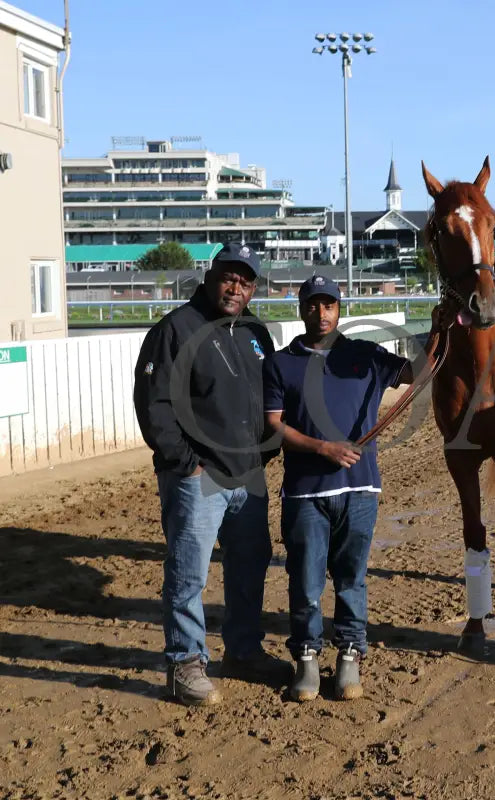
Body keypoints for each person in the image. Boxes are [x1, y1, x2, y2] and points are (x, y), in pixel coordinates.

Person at [134, 242, 286, 707]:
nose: (235, 288)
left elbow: (274, 396)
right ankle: (184, 664)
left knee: (249, 567)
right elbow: (153, 402)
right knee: (188, 574)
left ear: (254, 287)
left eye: (245, 281)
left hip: (248, 476)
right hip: (199, 476)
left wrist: (268, 451)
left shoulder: (257, 332)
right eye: (228, 277)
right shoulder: (177, 328)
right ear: (211, 275)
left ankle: (242, 651)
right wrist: (186, 463)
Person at [262, 275, 414, 702]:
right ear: (301, 308)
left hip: (361, 490)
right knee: (306, 583)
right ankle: (306, 658)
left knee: (352, 580)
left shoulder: (365, 356)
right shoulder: (279, 363)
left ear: (339, 308)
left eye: (328, 304)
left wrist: (442, 327)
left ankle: (350, 656)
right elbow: (274, 425)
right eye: (313, 305)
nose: (321, 312)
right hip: (306, 493)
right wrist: (322, 448)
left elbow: (419, 371)